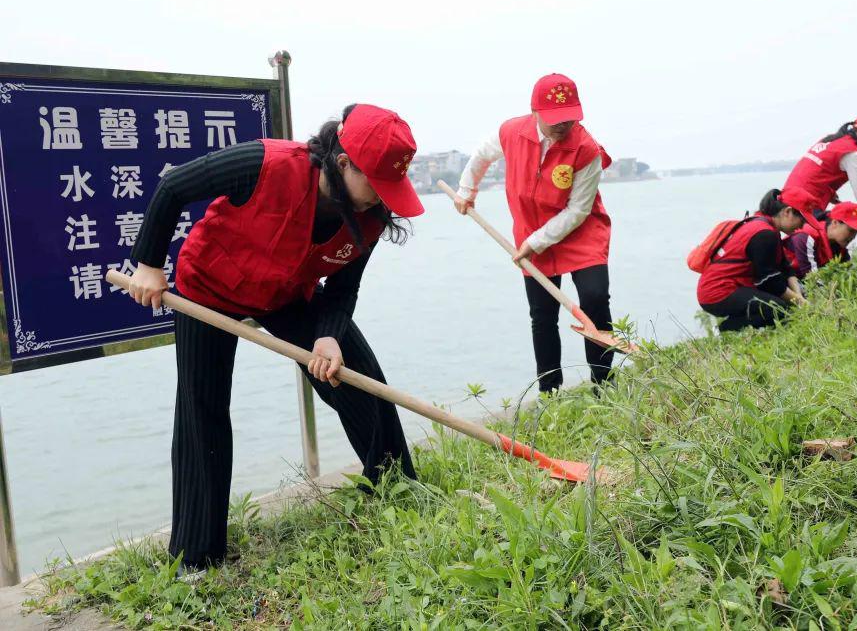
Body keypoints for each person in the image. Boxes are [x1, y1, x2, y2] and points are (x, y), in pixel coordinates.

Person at [125, 104, 424, 571]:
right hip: (210, 286)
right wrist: (148, 264)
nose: (381, 200)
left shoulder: (368, 216)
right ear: (344, 162)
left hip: (287, 293)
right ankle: (196, 558)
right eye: (378, 186)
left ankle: (399, 491)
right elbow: (173, 186)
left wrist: (327, 338)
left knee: (358, 377)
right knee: (201, 409)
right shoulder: (265, 164)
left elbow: (344, 288)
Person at [454, 74, 616, 394]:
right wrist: (466, 189)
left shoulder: (586, 149)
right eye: (555, 118)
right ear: (534, 110)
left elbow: (578, 210)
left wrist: (534, 242)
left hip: (581, 232)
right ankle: (550, 392)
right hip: (532, 232)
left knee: (595, 300)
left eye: (569, 118)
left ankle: (603, 385)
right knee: (542, 315)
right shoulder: (511, 132)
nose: (562, 125)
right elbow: (481, 155)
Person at [697, 188, 813, 331]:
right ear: (787, 212)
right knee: (777, 309)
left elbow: (785, 267)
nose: (803, 226)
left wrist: (799, 295)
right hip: (717, 292)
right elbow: (768, 281)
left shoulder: (767, 227)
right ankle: (725, 330)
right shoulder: (764, 234)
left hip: (729, 286)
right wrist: (800, 302)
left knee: (787, 304)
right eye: (802, 219)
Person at [782, 114, 857, 232]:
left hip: (787, 195)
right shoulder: (853, 154)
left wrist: (829, 193)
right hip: (804, 202)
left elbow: (817, 170)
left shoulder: (832, 140)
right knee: (815, 241)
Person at [784, 201, 857, 279]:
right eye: (851, 231)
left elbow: (847, 277)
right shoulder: (806, 237)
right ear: (835, 222)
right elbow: (812, 280)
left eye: (856, 233)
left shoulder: (840, 250)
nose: (853, 237)